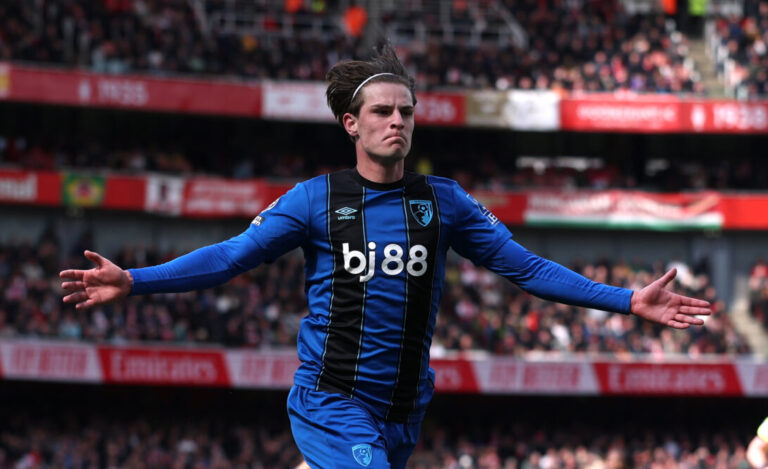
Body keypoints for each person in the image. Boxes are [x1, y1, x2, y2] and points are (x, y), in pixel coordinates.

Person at [60, 43, 712, 469]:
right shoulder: (313, 202)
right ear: (352, 122)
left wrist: (626, 299)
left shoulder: (446, 203)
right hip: (331, 399)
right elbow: (233, 257)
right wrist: (136, 280)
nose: (397, 120)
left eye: (406, 110)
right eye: (382, 111)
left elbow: (527, 268)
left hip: (404, 410)